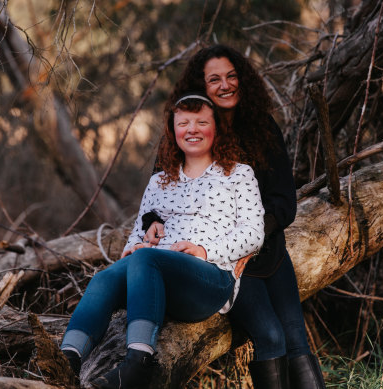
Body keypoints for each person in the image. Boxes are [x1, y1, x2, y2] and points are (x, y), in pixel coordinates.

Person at [143, 45, 327, 389]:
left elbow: (283, 201)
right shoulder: (192, 130)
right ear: (201, 85)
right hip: (221, 261)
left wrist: (254, 239)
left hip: (267, 252)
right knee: (270, 335)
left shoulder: (262, 129)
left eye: (231, 76)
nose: (226, 85)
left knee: (296, 339)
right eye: (215, 79)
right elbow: (162, 189)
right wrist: (150, 221)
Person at [60, 92, 265, 389]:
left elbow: (253, 233)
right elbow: (140, 227)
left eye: (201, 122)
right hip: (154, 276)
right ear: (173, 131)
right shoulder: (160, 180)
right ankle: (66, 360)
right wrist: (135, 245)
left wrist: (205, 250)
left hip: (208, 279)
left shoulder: (238, 174)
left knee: (145, 259)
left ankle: (138, 364)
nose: (192, 129)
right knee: (105, 277)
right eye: (183, 123)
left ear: (217, 129)